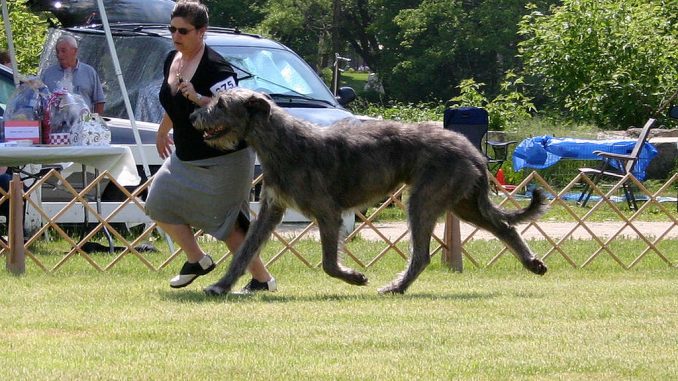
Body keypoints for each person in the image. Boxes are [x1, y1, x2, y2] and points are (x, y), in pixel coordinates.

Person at [144, 0, 277, 292]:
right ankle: (198, 260)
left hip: (226, 158)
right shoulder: (172, 58)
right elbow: (173, 103)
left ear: (202, 32)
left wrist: (200, 98)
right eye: (172, 29)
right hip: (186, 156)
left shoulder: (217, 69)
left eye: (183, 31)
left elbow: (236, 112)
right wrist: (162, 130)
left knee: (229, 227)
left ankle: (263, 281)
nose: (176, 36)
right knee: (157, 203)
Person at [40, 34, 105, 114]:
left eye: (63, 51)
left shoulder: (89, 72)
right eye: (57, 51)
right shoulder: (48, 74)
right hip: (56, 124)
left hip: (84, 123)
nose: (59, 55)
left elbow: (99, 101)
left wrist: (94, 122)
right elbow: (41, 101)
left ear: (74, 51)